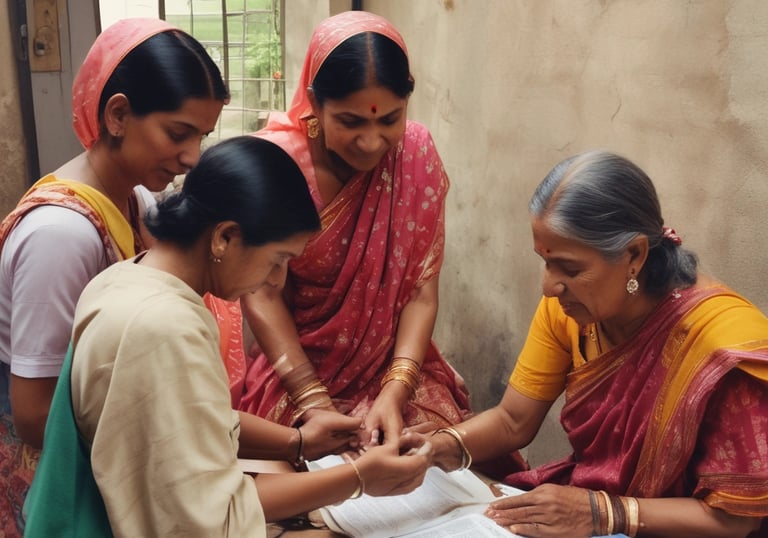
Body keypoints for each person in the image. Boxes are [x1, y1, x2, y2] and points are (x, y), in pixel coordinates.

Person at [23, 136, 433, 537]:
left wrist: (298, 443)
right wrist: (358, 478)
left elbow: (189, 416)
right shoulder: (163, 327)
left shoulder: (129, 277)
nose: (277, 279)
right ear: (224, 237)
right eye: (278, 260)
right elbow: (213, 518)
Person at [425, 150, 768, 537]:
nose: (549, 286)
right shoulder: (569, 310)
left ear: (634, 255)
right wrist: (439, 448)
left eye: (570, 269)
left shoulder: (722, 350)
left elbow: (736, 520)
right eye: (545, 261)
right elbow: (513, 420)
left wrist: (603, 513)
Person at [209, 10, 478, 450]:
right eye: (351, 122)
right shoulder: (277, 165)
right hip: (296, 368)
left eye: (389, 119)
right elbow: (261, 291)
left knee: (436, 450)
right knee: (301, 464)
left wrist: (396, 391)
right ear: (314, 102)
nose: (372, 141)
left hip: (392, 367)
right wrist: (312, 399)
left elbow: (419, 293)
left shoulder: (415, 154)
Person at [0, 17, 228, 536]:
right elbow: (35, 415)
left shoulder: (137, 201)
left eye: (202, 137)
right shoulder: (60, 234)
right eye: (178, 133)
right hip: (53, 482)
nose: (192, 157)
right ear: (119, 114)